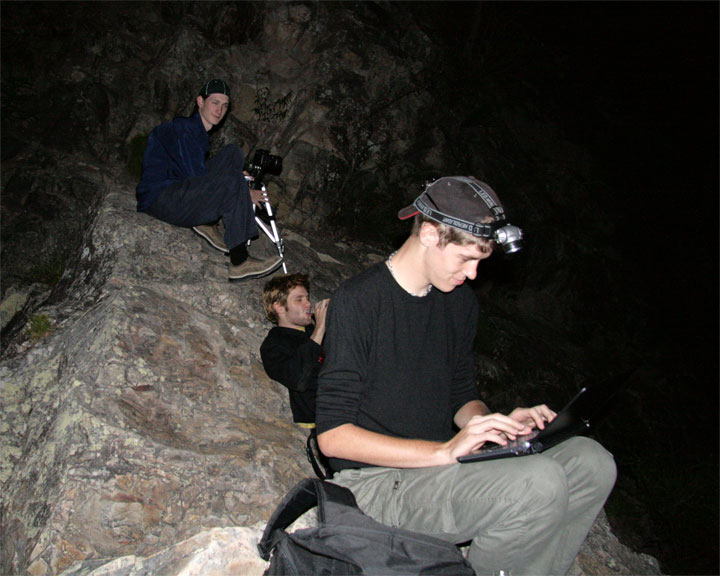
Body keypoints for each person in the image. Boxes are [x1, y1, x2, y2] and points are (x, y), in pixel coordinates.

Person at [315, 176, 616, 575]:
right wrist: (443, 452)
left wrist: (493, 426)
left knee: (593, 463)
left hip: (442, 470)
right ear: (429, 234)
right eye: (465, 259)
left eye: (481, 262)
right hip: (375, 483)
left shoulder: (459, 304)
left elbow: (461, 394)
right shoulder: (358, 302)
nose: (473, 274)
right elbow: (333, 437)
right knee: (538, 482)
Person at [135, 78, 283, 281]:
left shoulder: (198, 134)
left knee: (233, 153)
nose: (220, 110)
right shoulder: (184, 128)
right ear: (200, 102)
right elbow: (195, 176)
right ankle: (239, 260)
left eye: (225, 105)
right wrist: (243, 190)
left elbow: (197, 173)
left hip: (180, 192)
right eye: (214, 102)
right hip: (162, 198)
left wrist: (235, 179)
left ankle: (204, 222)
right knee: (232, 180)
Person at [261, 273, 330, 476]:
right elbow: (299, 379)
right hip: (329, 420)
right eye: (299, 299)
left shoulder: (315, 333)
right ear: (279, 307)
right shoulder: (274, 345)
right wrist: (320, 328)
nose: (308, 303)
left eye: (307, 297)